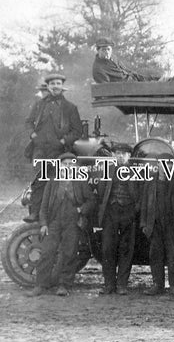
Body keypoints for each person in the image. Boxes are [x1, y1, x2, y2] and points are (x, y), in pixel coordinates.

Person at [26, 153, 95, 297]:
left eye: (71, 164)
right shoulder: (52, 182)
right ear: (60, 166)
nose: (68, 166)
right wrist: (44, 224)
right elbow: (44, 206)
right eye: (65, 164)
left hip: (73, 221)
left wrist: (81, 209)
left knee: (69, 253)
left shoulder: (81, 182)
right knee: (46, 252)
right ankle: (40, 285)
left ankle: (64, 285)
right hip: (54, 221)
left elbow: (91, 200)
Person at [24, 73, 83, 223]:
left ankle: (56, 216)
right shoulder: (39, 104)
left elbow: (77, 131)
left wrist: (63, 141)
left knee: (58, 181)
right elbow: (28, 122)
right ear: (48, 86)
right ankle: (35, 213)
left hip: (60, 152)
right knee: (39, 181)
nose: (55, 86)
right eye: (52, 84)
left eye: (58, 83)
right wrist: (32, 135)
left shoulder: (70, 107)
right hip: (40, 150)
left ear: (62, 86)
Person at [141, 153, 174, 297]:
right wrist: (144, 224)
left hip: (171, 225)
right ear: (158, 164)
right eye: (163, 163)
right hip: (154, 225)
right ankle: (157, 284)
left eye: (170, 164)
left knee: (173, 255)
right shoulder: (151, 181)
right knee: (155, 255)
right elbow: (144, 204)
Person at [96, 143, 139, 295]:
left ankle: (122, 285)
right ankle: (109, 284)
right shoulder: (107, 171)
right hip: (111, 213)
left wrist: (135, 210)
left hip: (129, 213)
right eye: (118, 153)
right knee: (107, 249)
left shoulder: (136, 172)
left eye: (124, 153)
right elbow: (101, 191)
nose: (120, 156)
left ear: (129, 156)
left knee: (126, 250)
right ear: (113, 155)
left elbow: (140, 193)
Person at [92, 37, 158, 83]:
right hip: (126, 90)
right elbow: (106, 88)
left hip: (134, 80)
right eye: (103, 50)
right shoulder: (98, 69)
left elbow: (126, 70)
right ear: (98, 51)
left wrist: (141, 78)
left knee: (156, 79)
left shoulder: (113, 58)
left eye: (108, 49)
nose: (106, 52)